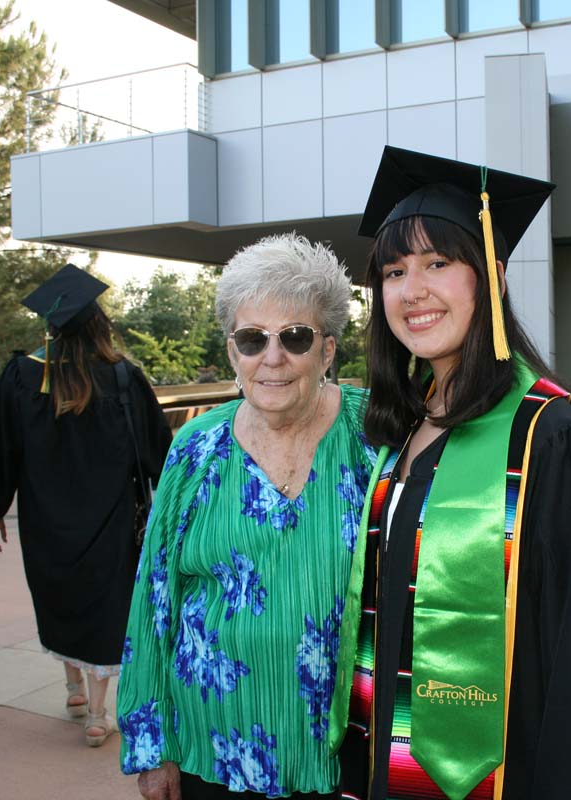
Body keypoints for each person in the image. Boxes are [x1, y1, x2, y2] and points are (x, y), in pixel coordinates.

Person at [328, 146, 571, 800]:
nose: (413, 291)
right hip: (384, 761)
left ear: (491, 276)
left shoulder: (554, 441)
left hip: (507, 770)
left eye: (439, 264)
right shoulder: (395, 435)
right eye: (393, 271)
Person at [117, 234, 376, 800]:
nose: (273, 357)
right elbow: (154, 596)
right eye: (253, 339)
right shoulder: (195, 448)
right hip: (213, 740)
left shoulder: (377, 436)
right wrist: (150, 746)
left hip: (344, 744)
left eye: (296, 337)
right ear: (233, 352)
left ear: (328, 351)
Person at [0, 265, 172, 748]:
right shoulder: (122, 376)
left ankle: (73, 688)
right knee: (105, 607)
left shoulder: (22, 375)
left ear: (52, 327)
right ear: (100, 325)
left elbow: (0, 448)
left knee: (61, 598)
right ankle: (98, 714)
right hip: (111, 519)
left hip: (46, 520)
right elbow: (157, 453)